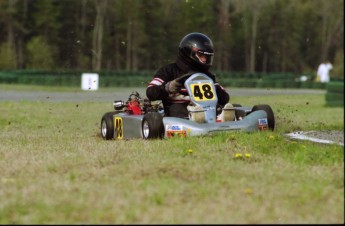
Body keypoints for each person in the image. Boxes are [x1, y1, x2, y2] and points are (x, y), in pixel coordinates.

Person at [146, 32, 234, 122]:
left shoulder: (206, 75)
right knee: (177, 109)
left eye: (206, 56)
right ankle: (197, 119)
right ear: (188, 53)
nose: (204, 60)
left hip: (207, 108)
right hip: (177, 110)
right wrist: (168, 87)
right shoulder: (169, 70)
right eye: (201, 55)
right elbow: (150, 92)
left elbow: (225, 98)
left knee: (220, 107)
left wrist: (214, 88)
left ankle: (220, 118)